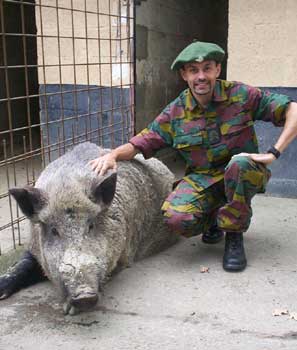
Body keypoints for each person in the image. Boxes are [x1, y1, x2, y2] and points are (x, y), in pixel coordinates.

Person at [89, 41, 297, 272]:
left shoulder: (241, 95)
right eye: (193, 70)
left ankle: (234, 235)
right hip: (203, 179)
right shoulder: (175, 112)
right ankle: (215, 218)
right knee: (176, 218)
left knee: (238, 164)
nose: (201, 76)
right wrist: (113, 155)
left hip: (242, 172)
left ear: (217, 70)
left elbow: (293, 110)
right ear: (184, 75)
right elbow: (141, 142)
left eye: (207, 68)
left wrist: (273, 153)